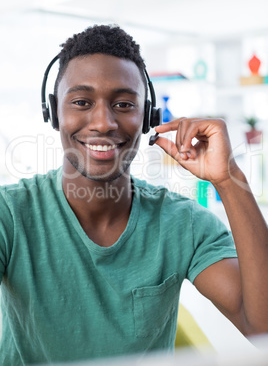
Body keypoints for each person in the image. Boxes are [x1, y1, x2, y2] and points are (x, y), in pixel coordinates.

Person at [0, 24, 267, 365]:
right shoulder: (10, 214)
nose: (103, 122)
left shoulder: (183, 223)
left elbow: (262, 327)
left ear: (147, 117)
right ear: (53, 112)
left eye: (124, 104)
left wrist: (229, 179)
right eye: (81, 102)